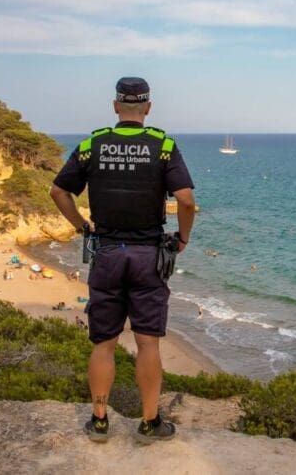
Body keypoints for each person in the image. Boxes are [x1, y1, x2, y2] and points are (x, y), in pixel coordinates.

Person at [50, 77, 196, 443]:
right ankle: (150, 423)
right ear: (147, 108)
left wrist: (84, 227)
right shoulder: (163, 146)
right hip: (148, 255)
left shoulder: (92, 144)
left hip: (108, 254)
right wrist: (182, 238)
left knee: (105, 343)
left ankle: (99, 421)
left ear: (116, 107)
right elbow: (186, 200)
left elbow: (58, 191)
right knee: (148, 343)